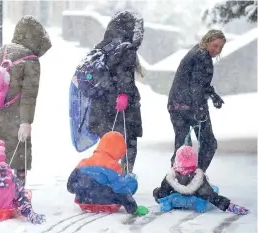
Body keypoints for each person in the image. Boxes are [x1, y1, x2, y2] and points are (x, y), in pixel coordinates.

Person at [0, 15, 52, 185]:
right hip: (13, 116)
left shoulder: (0, 52)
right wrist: (26, 122)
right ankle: (16, 194)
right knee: (17, 157)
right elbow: (29, 95)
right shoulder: (30, 60)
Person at [87, 10, 145, 173]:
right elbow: (124, 73)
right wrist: (123, 94)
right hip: (121, 107)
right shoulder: (127, 48)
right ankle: (124, 176)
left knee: (107, 144)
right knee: (128, 142)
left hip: (100, 105)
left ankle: (104, 175)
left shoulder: (102, 47)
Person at [167, 29, 226, 172]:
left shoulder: (197, 52)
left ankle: (177, 178)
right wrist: (199, 108)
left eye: (220, 47)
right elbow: (196, 85)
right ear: (207, 41)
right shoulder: (202, 56)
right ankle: (196, 176)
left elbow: (197, 81)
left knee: (183, 146)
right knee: (209, 144)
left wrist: (212, 94)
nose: (217, 50)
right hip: (190, 106)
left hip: (176, 105)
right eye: (215, 45)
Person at [67, 131, 149, 216]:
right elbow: (121, 190)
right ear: (118, 151)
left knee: (106, 182)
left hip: (83, 201)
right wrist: (133, 208)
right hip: (107, 201)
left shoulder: (83, 163)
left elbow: (70, 187)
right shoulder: (113, 166)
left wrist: (83, 189)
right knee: (130, 181)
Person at [152, 145, 249, 215]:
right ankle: (199, 205)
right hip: (194, 199)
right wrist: (229, 206)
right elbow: (212, 197)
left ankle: (167, 205)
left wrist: (157, 195)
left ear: (176, 161)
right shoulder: (198, 179)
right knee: (210, 192)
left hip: (176, 199)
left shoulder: (170, 177)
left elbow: (162, 193)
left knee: (158, 191)